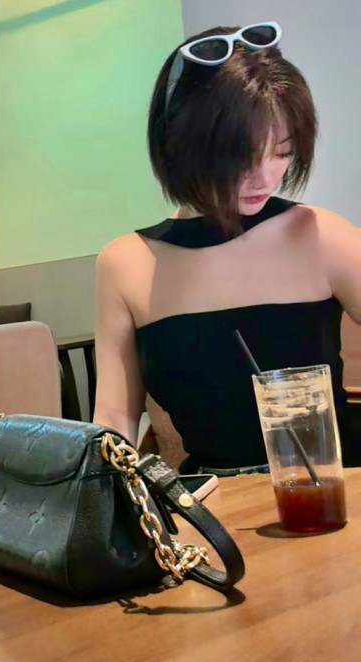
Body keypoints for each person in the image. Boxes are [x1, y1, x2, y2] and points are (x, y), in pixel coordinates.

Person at [93, 22, 361, 475]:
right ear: (178, 143)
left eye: (282, 153)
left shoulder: (319, 235)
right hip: (214, 500)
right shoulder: (126, 264)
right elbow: (115, 420)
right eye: (241, 156)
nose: (266, 177)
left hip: (330, 490)